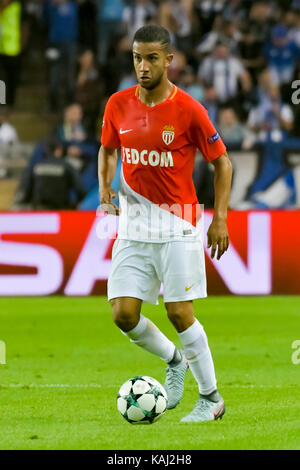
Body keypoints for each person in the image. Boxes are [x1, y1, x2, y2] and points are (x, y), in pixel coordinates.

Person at [98, 25, 232, 423]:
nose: (143, 66)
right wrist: (104, 186)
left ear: (169, 60)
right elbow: (107, 149)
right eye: (137, 57)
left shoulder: (189, 109)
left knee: (179, 312)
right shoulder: (117, 104)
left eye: (151, 58)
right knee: (123, 314)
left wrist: (220, 218)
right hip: (133, 225)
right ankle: (175, 361)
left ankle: (211, 399)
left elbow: (222, 162)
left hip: (179, 223)